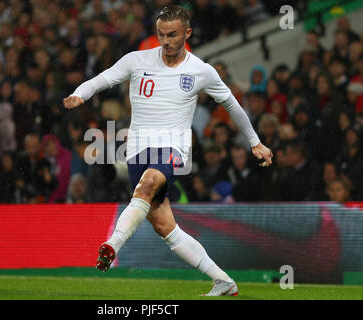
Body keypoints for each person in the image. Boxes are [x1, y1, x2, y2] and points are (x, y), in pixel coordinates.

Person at [63, 5, 272, 297]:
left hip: (172, 148)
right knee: (164, 225)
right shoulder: (137, 60)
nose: (166, 41)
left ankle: (112, 243)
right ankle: (223, 281)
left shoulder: (201, 70)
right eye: (161, 34)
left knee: (148, 183)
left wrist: (254, 142)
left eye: (173, 35)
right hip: (137, 151)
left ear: (187, 33)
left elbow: (231, 105)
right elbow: (103, 79)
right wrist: (79, 94)